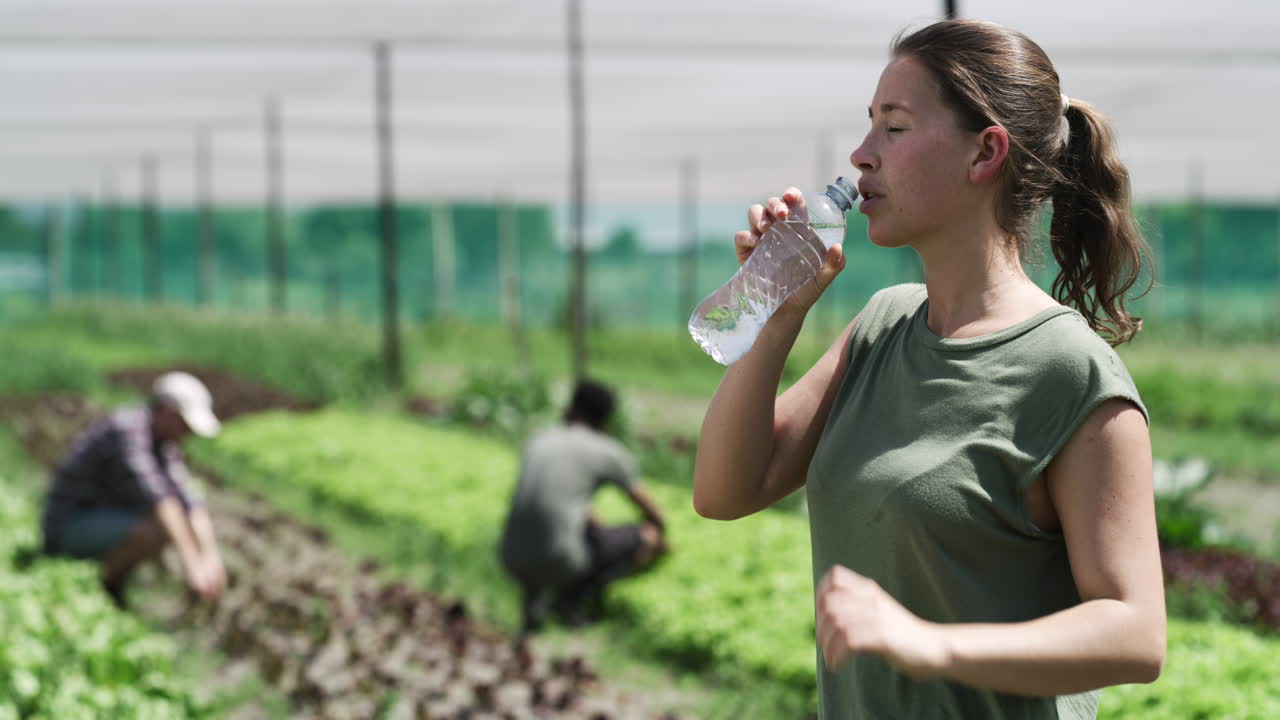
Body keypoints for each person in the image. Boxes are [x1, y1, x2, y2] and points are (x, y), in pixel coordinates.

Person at [693, 18, 1164, 719]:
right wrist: (775, 318)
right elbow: (724, 490)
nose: (860, 155)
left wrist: (931, 644)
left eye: (894, 127)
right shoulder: (882, 327)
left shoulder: (1069, 374)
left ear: (985, 154)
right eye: (868, 126)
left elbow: (1135, 632)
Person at [42, 371, 227, 609]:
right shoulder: (127, 431)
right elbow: (161, 501)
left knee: (167, 525)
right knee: (157, 529)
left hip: (100, 520)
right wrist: (193, 566)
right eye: (185, 424)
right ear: (168, 411)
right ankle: (99, 588)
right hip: (67, 526)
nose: (187, 434)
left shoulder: (162, 443)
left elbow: (189, 499)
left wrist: (211, 558)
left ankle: (108, 584)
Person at [499, 379, 668, 634]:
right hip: (559, 559)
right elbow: (650, 510)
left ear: (571, 407)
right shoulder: (607, 450)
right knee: (647, 536)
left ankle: (536, 602)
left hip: (510, 555)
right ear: (607, 419)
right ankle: (571, 602)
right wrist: (661, 533)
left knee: (560, 528)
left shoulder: (539, 438)